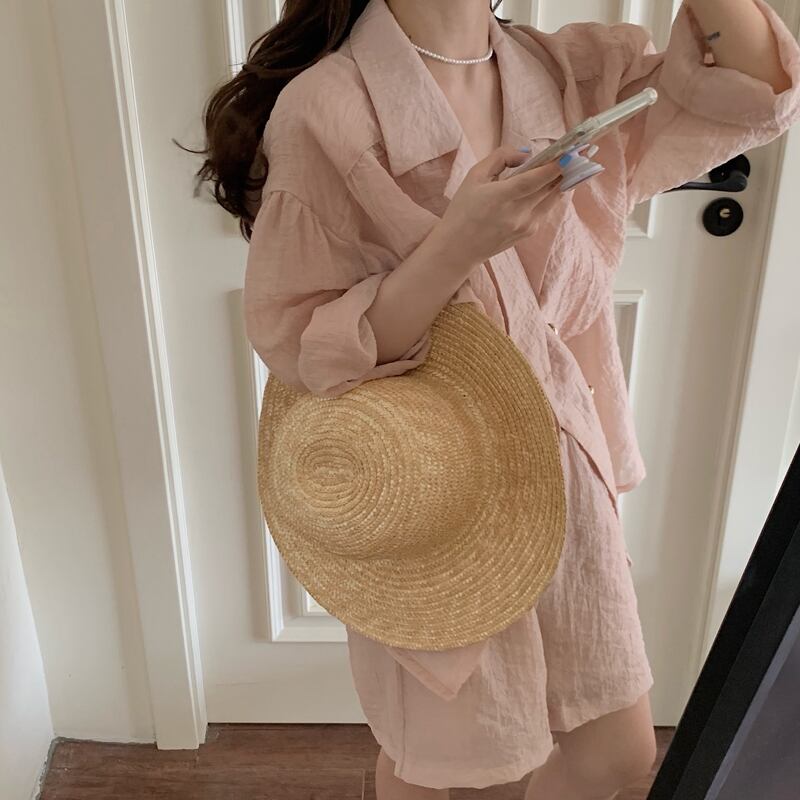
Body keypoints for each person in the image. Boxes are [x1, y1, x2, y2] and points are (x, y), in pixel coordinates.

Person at [191, 0, 800, 797]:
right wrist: (458, 245)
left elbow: (758, 88)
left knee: (615, 757)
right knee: (457, 767)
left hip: (561, 461)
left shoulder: (563, 71)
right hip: (437, 479)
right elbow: (310, 347)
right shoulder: (328, 106)